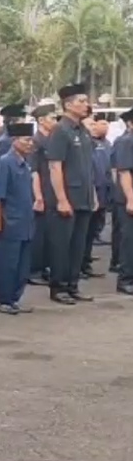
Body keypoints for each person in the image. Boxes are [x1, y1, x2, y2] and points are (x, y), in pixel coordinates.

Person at [44, 84, 95, 304]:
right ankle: (59, 286)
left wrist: (92, 195)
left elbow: (87, 166)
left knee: (78, 245)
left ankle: (73, 284)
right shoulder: (60, 130)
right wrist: (62, 200)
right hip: (67, 198)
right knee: (62, 245)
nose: (86, 105)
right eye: (81, 101)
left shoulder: (82, 130)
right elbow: (55, 166)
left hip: (83, 197)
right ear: (68, 104)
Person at [0, 123, 38, 314]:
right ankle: (2, 299)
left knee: (22, 265)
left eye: (31, 140)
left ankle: (13, 298)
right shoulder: (5, 162)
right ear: (14, 141)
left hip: (25, 221)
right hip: (10, 221)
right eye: (26, 140)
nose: (30, 144)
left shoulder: (25, 163)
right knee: (6, 263)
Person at [27, 104, 57, 286]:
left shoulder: (53, 139)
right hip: (41, 190)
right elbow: (34, 171)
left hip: (52, 191)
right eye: (52, 118)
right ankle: (34, 270)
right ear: (41, 121)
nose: (55, 121)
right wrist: (38, 196)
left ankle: (45, 266)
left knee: (49, 233)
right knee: (38, 233)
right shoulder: (35, 141)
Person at [82, 111, 112, 278]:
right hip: (88, 194)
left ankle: (85, 263)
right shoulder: (85, 145)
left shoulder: (103, 143)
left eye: (94, 124)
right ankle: (79, 265)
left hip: (102, 192)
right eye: (90, 124)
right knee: (83, 232)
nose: (93, 127)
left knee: (92, 231)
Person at [113, 109, 133, 295]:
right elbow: (124, 171)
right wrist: (130, 199)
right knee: (129, 240)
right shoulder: (127, 141)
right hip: (128, 199)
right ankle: (125, 279)